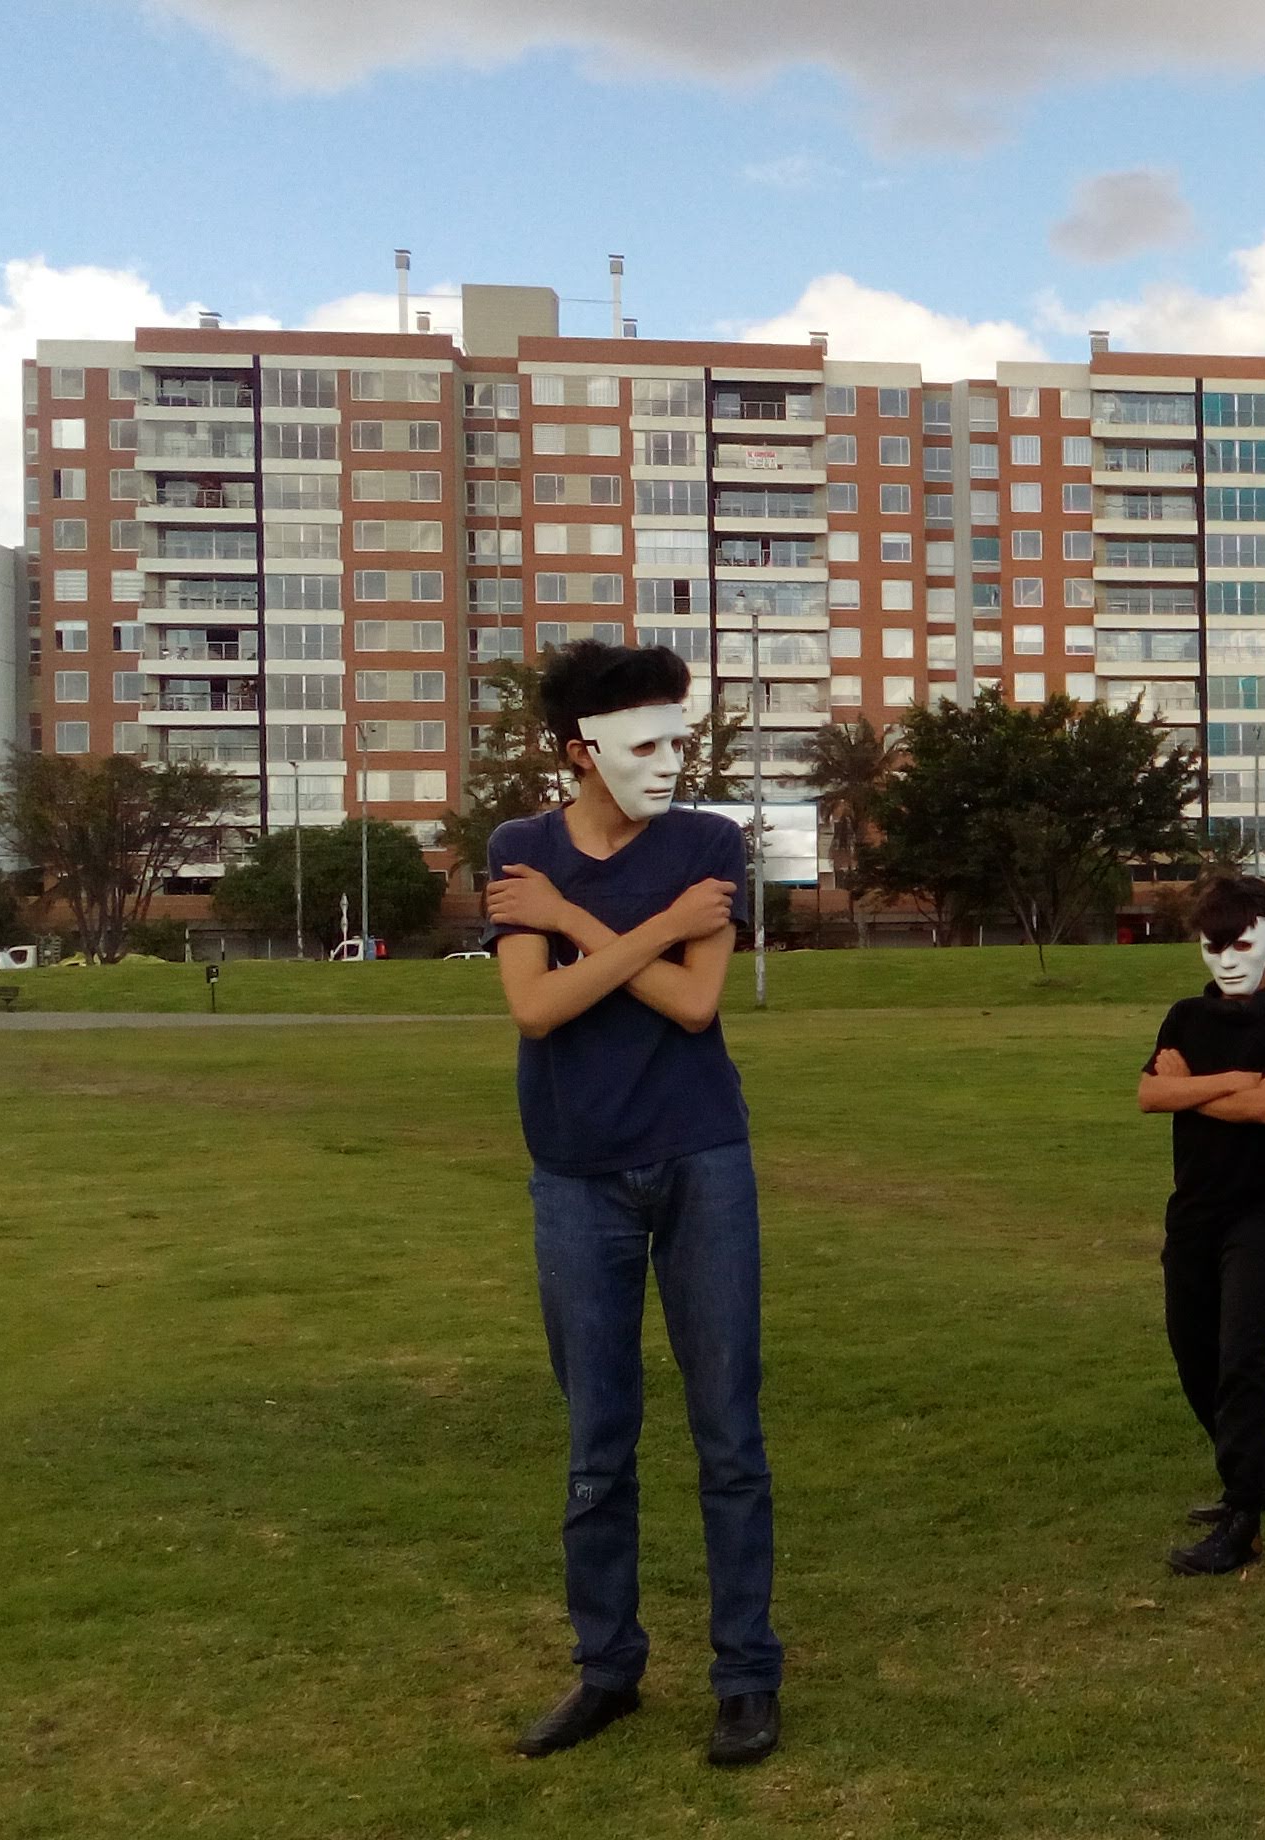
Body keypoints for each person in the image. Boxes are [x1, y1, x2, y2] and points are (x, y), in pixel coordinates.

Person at [483, 640, 782, 1768]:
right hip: (575, 1172)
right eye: (646, 744)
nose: (671, 761)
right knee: (597, 1443)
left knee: (729, 1434)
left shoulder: (711, 841)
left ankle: (746, 1674)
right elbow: (537, 1008)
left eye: (679, 740)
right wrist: (646, 927)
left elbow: (698, 1006)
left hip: (703, 1157)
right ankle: (607, 1668)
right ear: (580, 751)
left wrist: (589, 922)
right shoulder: (521, 851)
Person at [1136, 875, 1265, 1576]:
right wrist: (1232, 1081)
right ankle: (1260, 1471)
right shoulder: (1185, 1017)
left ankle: (1244, 1516)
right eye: (1214, 945)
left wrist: (1201, 1088)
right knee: (1195, 1354)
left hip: (1262, 1205)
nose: (1229, 957)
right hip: (1194, 1209)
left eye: (1243, 942)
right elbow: (1151, 1093)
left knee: (1242, 1353)